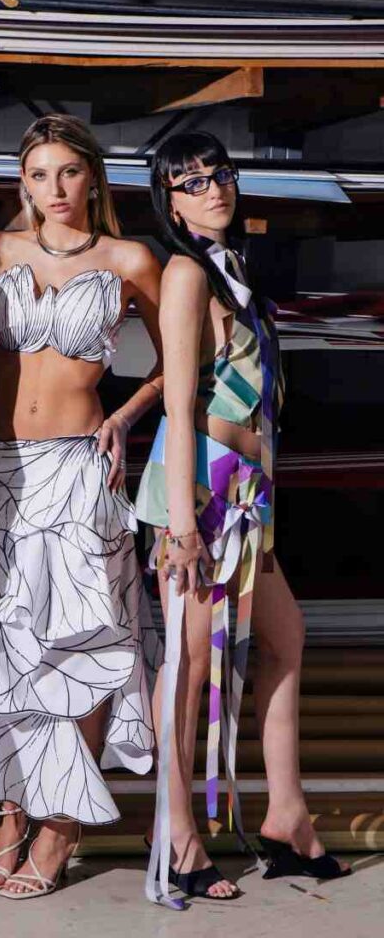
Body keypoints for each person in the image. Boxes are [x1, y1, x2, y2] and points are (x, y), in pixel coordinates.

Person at [0, 113, 163, 899]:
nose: (54, 188)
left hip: (78, 469)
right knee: (1, 641)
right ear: (22, 183)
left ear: (92, 176)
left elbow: (181, 359)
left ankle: (60, 827)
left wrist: (122, 417)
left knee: (80, 642)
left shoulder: (129, 258)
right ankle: (12, 809)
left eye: (68, 172)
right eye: (39, 175)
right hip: (3, 469)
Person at [135, 130, 350, 908]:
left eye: (218, 174)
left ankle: (285, 818)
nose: (211, 188)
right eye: (190, 181)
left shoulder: (231, 271)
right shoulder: (186, 272)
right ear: (169, 203)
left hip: (245, 492)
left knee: (283, 638)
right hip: (199, 489)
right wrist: (183, 522)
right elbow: (178, 401)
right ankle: (178, 836)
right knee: (190, 663)